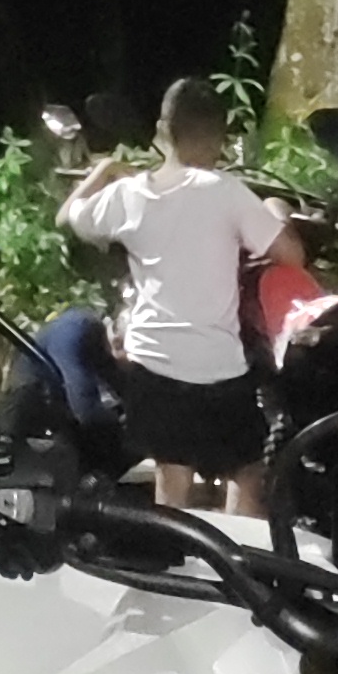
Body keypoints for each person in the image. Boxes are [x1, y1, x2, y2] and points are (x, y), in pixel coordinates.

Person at [61, 76, 286, 513]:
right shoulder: (226, 191)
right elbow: (290, 252)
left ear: (163, 130)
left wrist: (105, 170)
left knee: (172, 472)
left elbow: (70, 216)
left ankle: (170, 548)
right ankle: (241, 548)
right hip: (218, 366)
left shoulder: (129, 194)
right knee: (247, 469)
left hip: (153, 365)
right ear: (220, 137)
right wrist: (278, 215)